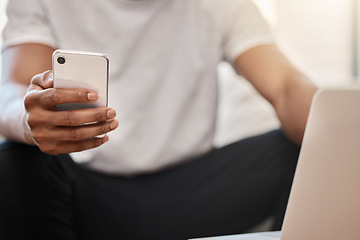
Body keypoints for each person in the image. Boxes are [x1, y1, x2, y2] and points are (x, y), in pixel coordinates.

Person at [0, 0, 318, 239]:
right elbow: (12, 89)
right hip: (85, 192)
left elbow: (286, 87)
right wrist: (29, 121)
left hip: (188, 194)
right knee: (16, 161)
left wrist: (337, 121)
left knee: (308, 149)